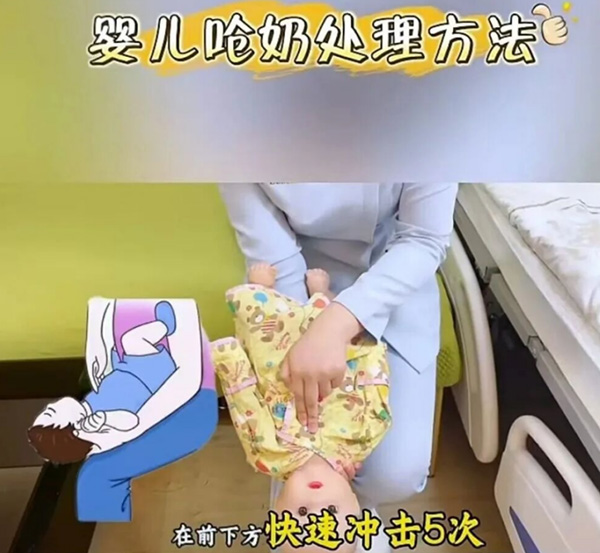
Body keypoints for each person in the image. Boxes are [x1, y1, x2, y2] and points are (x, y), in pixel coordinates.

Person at [218, 183, 457, 553]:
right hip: (297, 266)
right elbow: (274, 252)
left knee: (395, 476)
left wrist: (339, 323)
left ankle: (336, 500)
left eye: (308, 512)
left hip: (396, 264)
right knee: (329, 473)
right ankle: (333, 504)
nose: (315, 510)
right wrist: (305, 329)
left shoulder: (269, 452)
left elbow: (424, 237)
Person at [213, 263, 392, 553]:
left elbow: (245, 403)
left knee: (258, 324)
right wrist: (370, 355)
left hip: (276, 356)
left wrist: (227, 359)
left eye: (303, 513)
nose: (317, 501)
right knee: (337, 323)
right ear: (356, 505)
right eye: (332, 511)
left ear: (277, 508)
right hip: (333, 354)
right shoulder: (362, 439)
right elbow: (374, 391)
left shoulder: (267, 455)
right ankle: (321, 292)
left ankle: (262, 289)